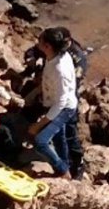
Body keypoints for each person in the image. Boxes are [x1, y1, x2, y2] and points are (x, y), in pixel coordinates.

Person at [27, 28, 83, 180]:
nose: (37, 43)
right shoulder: (53, 56)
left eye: (40, 41)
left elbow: (61, 102)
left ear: (48, 46)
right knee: (59, 138)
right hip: (55, 103)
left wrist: (39, 125)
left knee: (40, 141)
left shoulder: (60, 69)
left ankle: (63, 169)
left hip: (64, 108)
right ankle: (64, 168)